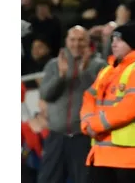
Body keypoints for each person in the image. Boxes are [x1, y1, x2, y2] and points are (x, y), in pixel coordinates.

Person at [80, 22, 135, 183]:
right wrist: (86, 122)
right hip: (103, 154)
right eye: (113, 39)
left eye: (120, 40)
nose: (114, 44)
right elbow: (89, 97)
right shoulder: (107, 71)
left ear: (132, 42)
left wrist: (94, 125)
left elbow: (128, 109)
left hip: (131, 156)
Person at [38, 26, 106, 183]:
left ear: (88, 42)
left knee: (86, 180)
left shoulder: (99, 65)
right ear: (66, 41)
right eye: (72, 40)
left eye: (81, 40)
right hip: (56, 136)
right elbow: (46, 94)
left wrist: (85, 73)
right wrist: (60, 76)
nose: (76, 44)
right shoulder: (54, 65)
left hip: (83, 138)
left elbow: (101, 96)